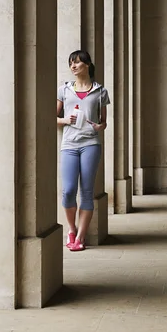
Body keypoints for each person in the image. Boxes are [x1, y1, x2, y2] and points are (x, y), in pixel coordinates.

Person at [56, 50, 110, 251]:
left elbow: (104, 122)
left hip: (90, 144)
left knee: (86, 192)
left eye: (77, 63)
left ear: (87, 65)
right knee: (68, 191)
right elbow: (53, 117)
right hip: (69, 145)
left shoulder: (100, 91)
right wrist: (64, 120)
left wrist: (100, 127)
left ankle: (80, 237)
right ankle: (71, 229)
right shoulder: (64, 90)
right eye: (71, 63)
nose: (73, 66)